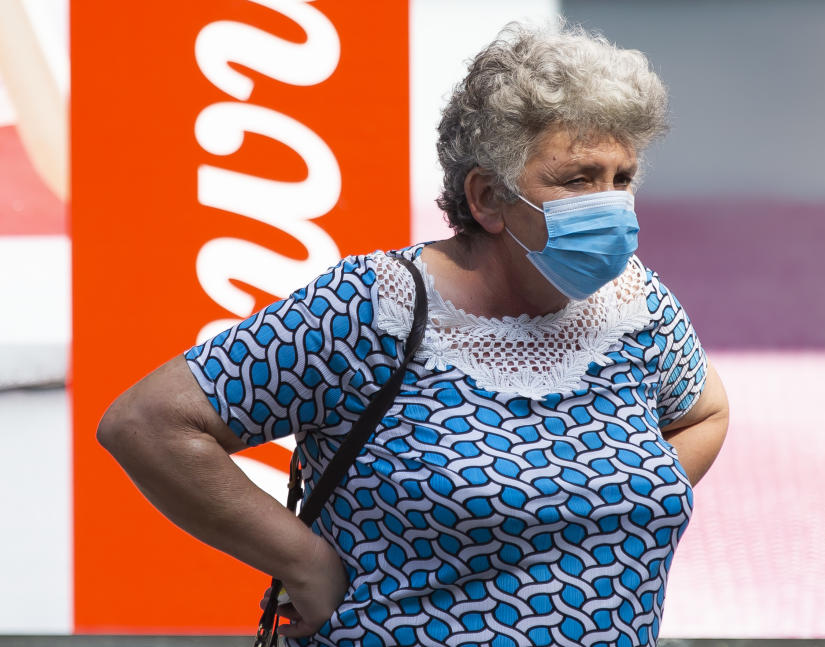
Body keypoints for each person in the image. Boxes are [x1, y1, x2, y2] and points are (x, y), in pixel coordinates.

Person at [98, 20, 729, 647]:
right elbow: (149, 423)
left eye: (622, 179)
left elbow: (706, 413)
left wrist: (600, 502)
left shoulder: (635, 308)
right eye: (578, 180)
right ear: (486, 196)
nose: (612, 204)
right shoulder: (372, 309)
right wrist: (305, 564)